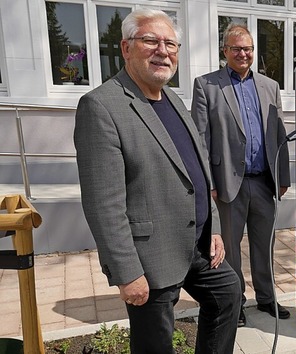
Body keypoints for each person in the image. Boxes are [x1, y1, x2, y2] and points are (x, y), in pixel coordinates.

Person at [74, 9, 241, 353]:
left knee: (227, 293)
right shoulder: (102, 106)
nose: (162, 51)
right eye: (150, 40)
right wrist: (126, 271)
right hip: (151, 256)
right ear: (126, 47)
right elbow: (102, 201)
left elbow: (196, 171)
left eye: (170, 44)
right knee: (155, 345)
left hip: (195, 244)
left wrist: (213, 227)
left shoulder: (173, 100)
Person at [191, 24, 291, 327]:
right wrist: (207, 183)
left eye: (247, 48)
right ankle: (235, 302)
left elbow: (279, 133)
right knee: (229, 248)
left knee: (265, 244)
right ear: (225, 51)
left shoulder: (269, 86)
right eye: (236, 48)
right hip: (226, 185)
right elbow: (200, 138)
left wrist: (283, 176)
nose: (243, 53)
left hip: (264, 181)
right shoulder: (206, 85)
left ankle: (266, 297)